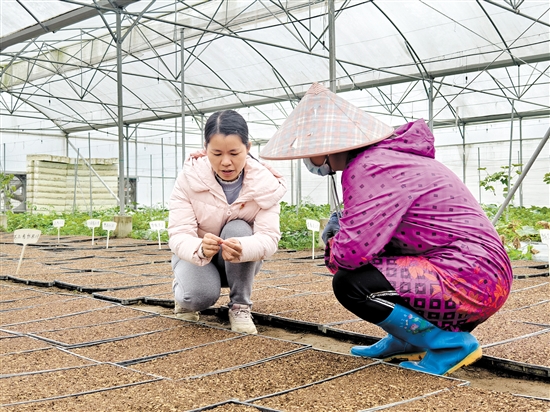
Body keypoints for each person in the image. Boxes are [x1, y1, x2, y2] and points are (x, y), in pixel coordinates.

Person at [260, 83, 512, 375]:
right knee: (375, 267)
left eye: (309, 150)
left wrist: (334, 242)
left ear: (326, 148)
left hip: (469, 281)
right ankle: (406, 338)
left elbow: (353, 252)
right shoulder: (388, 157)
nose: (307, 160)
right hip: (482, 273)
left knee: (351, 284)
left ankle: (449, 345)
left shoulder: (369, 168)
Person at [168, 110, 287, 334]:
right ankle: (182, 290)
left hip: (237, 262)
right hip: (197, 256)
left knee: (239, 228)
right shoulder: (188, 178)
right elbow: (178, 233)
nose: (225, 162)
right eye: (216, 153)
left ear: (248, 148)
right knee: (195, 298)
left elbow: (269, 237)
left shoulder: (265, 184)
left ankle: (240, 306)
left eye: (234, 153)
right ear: (205, 150)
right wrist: (200, 248)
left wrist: (244, 247)